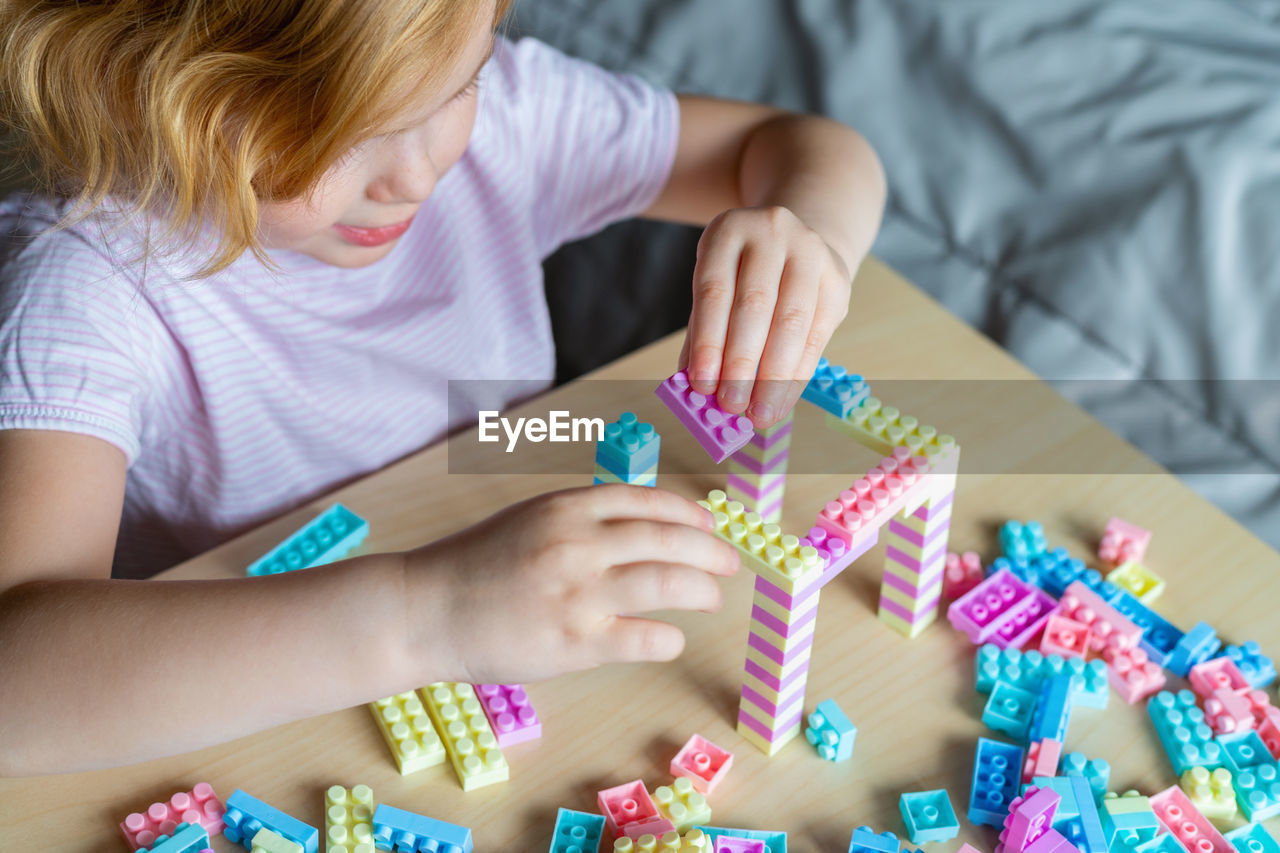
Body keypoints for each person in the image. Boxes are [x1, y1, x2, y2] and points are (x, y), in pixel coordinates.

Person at [0, 0, 885, 774]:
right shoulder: (86, 281)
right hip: (268, 699)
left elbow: (804, 147)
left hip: (514, 618)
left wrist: (813, 239)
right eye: (342, 133)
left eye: (459, 84)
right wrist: (428, 616)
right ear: (139, 85)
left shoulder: (509, 122)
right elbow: (19, 679)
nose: (415, 174)